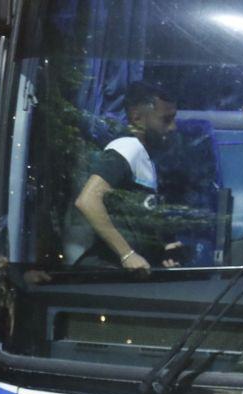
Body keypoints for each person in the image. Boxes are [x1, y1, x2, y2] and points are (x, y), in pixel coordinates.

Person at [74, 81, 181, 271]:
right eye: (166, 119)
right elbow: (87, 200)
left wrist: (165, 246)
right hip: (108, 272)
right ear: (137, 118)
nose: (172, 127)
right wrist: (127, 255)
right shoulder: (126, 148)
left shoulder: (146, 157)